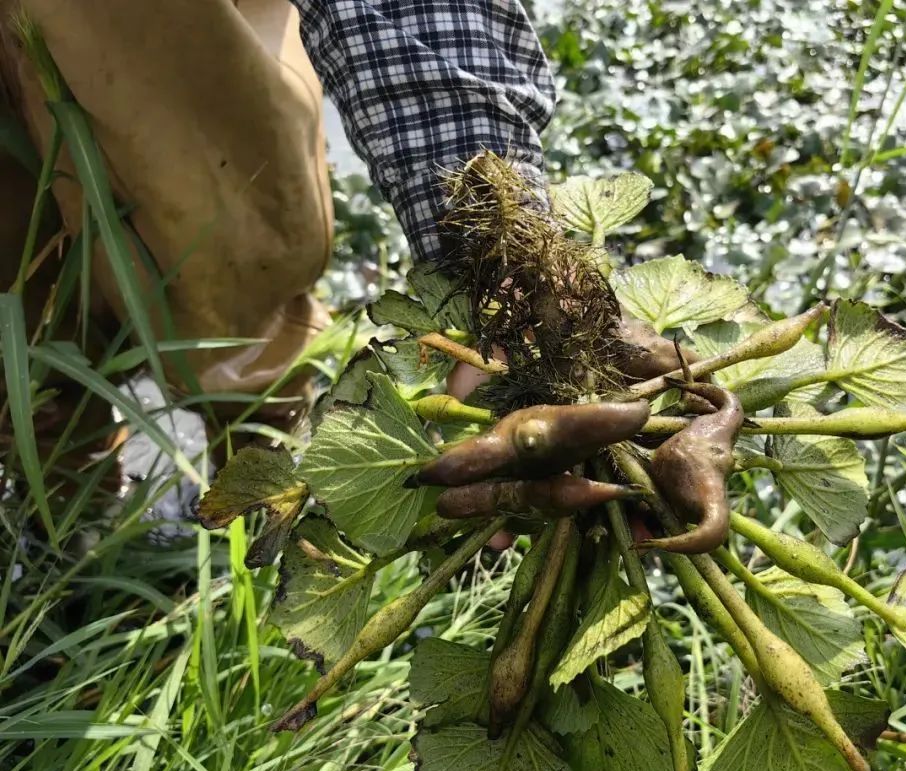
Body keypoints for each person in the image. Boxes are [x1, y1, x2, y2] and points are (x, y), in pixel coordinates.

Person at [0, 0, 555, 470]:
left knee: (237, 295)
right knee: (23, 346)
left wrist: (498, 251)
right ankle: (63, 528)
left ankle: (260, 489)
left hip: (186, 54)